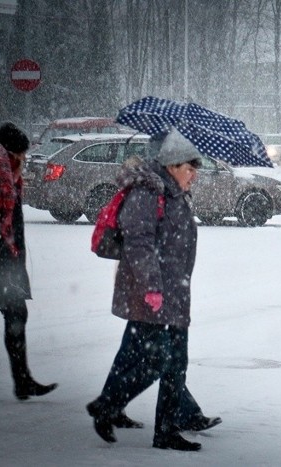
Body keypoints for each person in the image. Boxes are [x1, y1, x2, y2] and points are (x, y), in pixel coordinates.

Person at [86, 129, 217, 451]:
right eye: (190, 168)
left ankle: (161, 428)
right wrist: (152, 287)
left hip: (173, 291)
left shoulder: (175, 192)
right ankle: (111, 407)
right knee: (161, 362)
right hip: (153, 293)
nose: (194, 175)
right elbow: (139, 243)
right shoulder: (148, 192)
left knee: (165, 361)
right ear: (172, 165)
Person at [0, 122, 58, 401]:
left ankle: (23, 380)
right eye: (21, 156)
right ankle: (23, 381)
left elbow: (12, 224)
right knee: (16, 315)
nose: (24, 162)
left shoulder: (7, 175)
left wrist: (14, 259)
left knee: (16, 315)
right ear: (8, 153)